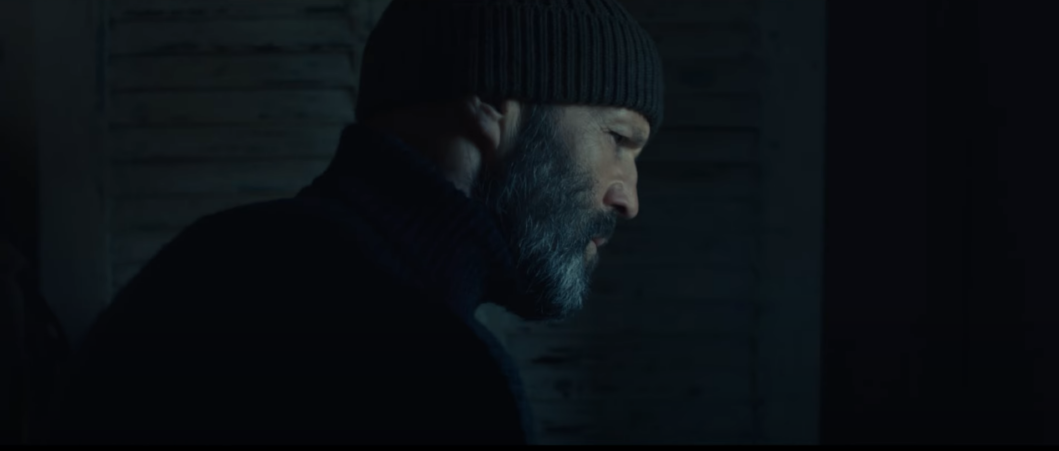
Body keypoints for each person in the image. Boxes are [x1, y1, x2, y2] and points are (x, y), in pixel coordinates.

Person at [44, 0, 663, 444]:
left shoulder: (206, 262)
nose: (628, 197)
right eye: (617, 139)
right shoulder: (434, 372)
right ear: (494, 103)